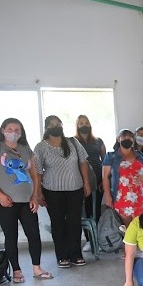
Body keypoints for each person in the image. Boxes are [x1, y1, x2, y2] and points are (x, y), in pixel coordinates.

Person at [0, 118, 53, 282]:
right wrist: (0, 195)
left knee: (34, 234)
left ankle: (37, 268)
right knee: (11, 236)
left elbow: (34, 174)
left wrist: (35, 196)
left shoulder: (25, 149)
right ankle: (17, 271)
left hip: (27, 201)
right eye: (10, 129)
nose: (13, 133)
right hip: (5, 202)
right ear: (3, 130)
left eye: (17, 130)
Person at [34, 115, 92, 269]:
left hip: (75, 189)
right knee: (58, 223)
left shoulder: (73, 142)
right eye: (51, 124)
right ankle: (62, 256)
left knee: (74, 222)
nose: (55, 126)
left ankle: (76, 254)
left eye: (58, 123)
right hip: (52, 191)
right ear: (46, 128)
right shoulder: (40, 147)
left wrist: (86, 182)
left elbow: (83, 162)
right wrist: (38, 193)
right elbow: (37, 172)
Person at [102, 129, 143, 228]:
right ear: (118, 139)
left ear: (133, 139)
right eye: (124, 137)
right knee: (127, 229)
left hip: (140, 195)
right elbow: (105, 177)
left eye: (130, 137)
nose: (127, 139)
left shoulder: (140, 155)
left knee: (141, 226)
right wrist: (107, 195)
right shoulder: (111, 156)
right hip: (121, 196)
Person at [75, 114, 106, 251]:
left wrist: (104, 180)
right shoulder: (73, 142)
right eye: (81, 123)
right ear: (77, 125)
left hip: (98, 179)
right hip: (81, 180)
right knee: (84, 211)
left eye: (86, 122)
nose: (84, 125)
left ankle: (98, 240)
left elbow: (105, 161)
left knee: (96, 210)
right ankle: (88, 240)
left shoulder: (98, 141)